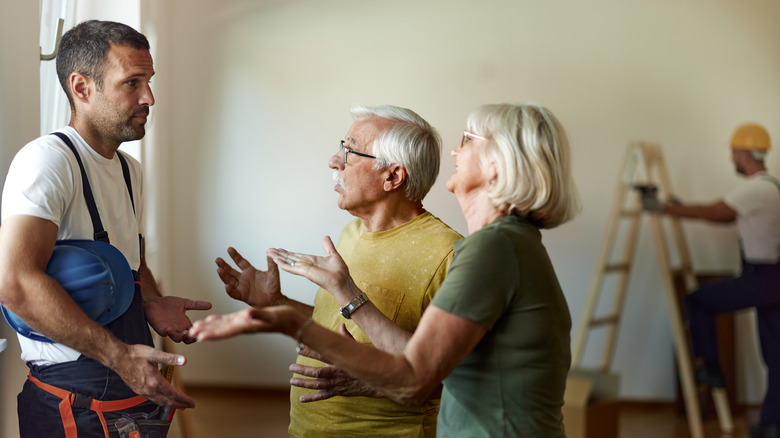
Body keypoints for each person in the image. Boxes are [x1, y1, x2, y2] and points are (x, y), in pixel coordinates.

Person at [192, 103, 580, 437]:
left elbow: (415, 378)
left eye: (468, 139)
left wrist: (289, 324)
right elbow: (419, 357)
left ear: (497, 164)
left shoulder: (491, 248)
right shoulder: (507, 244)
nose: (456, 151)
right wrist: (279, 304)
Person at [0, 20, 211, 437]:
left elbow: (134, 259)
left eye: (149, 81)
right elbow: (16, 284)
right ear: (82, 88)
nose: (149, 97)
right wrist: (119, 357)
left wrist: (150, 300)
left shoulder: (130, 170)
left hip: (128, 393)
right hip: (73, 401)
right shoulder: (47, 161)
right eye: (132, 82)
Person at [213, 104, 462, 437]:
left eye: (349, 151)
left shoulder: (451, 253)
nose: (334, 161)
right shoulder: (351, 234)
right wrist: (275, 301)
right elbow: (340, 323)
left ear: (392, 176)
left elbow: (460, 380)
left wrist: (376, 379)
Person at [641, 123, 780, 438]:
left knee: (696, 300)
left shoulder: (754, 187)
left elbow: (715, 211)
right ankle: (772, 424)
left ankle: (712, 369)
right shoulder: (771, 185)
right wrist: (679, 207)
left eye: (733, 151)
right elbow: (729, 216)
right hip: (773, 279)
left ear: (744, 153)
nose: (732, 156)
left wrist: (664, 209)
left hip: (763, 277)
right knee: (775, 355)